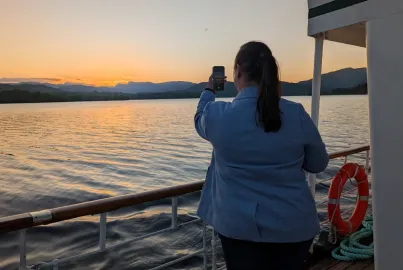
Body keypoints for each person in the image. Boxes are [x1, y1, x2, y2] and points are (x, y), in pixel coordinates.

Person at [194, 41, 329, 270]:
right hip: (293, 228)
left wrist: (209, 90)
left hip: (237, 229)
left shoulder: (217, 116)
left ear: (237, 71)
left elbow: (199, 118)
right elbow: (318, 164)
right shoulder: (295, 113)